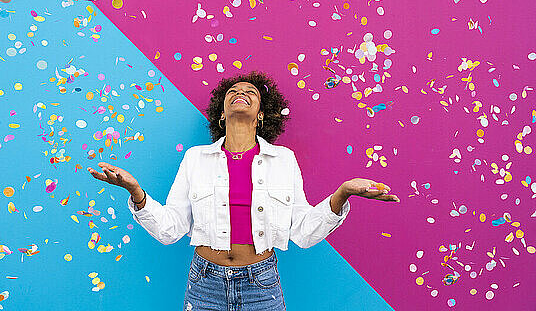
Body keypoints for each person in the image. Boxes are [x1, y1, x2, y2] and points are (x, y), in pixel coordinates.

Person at [88, 70, 400, 310]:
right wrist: (137, 193)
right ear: (221, 113)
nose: (240, 93)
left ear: (262, 114)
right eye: (233, 92)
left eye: (250, 92)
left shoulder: (283, 160)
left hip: (261, 283)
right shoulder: (196, 158)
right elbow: (171, 229)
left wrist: (342, 193)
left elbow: (303, 232)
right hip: (204, 283)